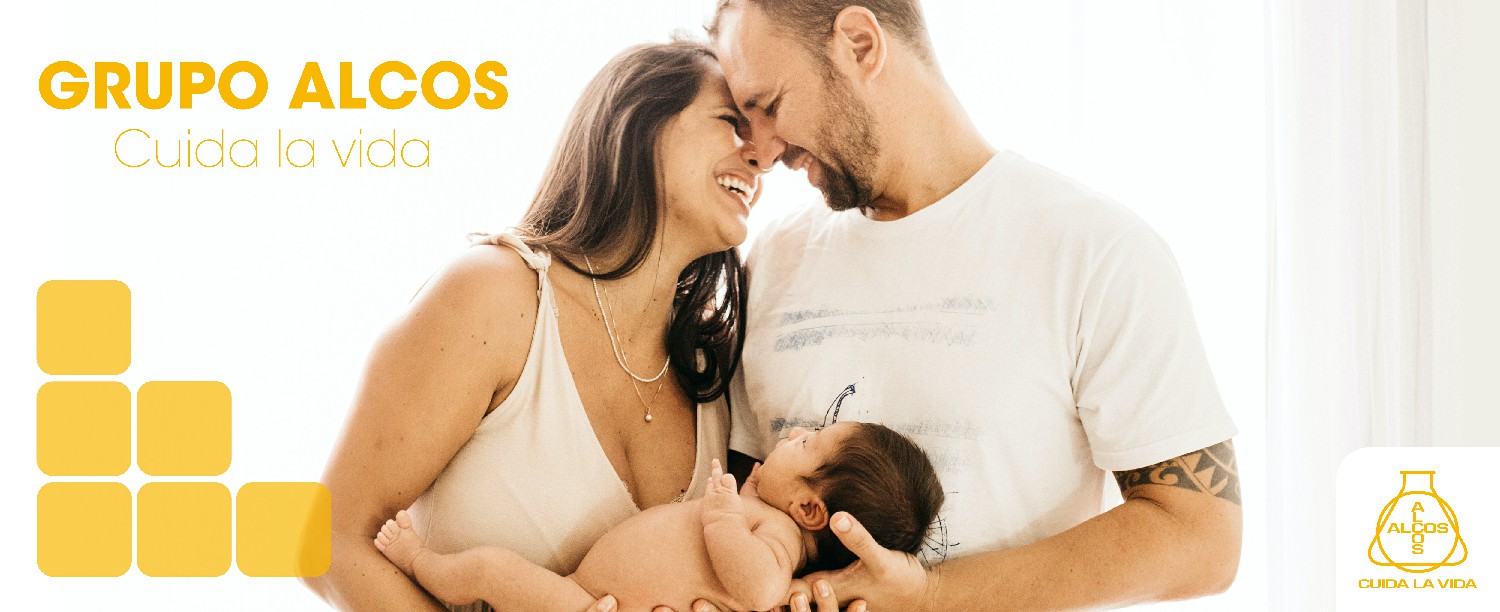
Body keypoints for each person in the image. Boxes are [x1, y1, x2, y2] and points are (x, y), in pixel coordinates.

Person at [699, 1, 1245, 611]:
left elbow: (1201, 536)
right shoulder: (774, 258)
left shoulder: (1096, 250)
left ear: (859, 44)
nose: (762, 151)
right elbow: (739, 503)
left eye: (770, 106)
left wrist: (932, 596)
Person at [301, 40, 769, 611]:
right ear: (638, 123)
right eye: (731, 123)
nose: (762, 158)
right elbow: (326, 541)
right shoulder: (493, 298)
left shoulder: (715, 371)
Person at [373, 422, 944, 611]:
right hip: (583, 593)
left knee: (490, 571)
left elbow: (759, 588)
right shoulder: (766, 510)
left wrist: (722, 516)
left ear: (810, 509)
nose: (792, 432)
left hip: (589, 604)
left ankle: (419, 560)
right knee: (495, 577)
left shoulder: (778, 541)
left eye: (806, 443)